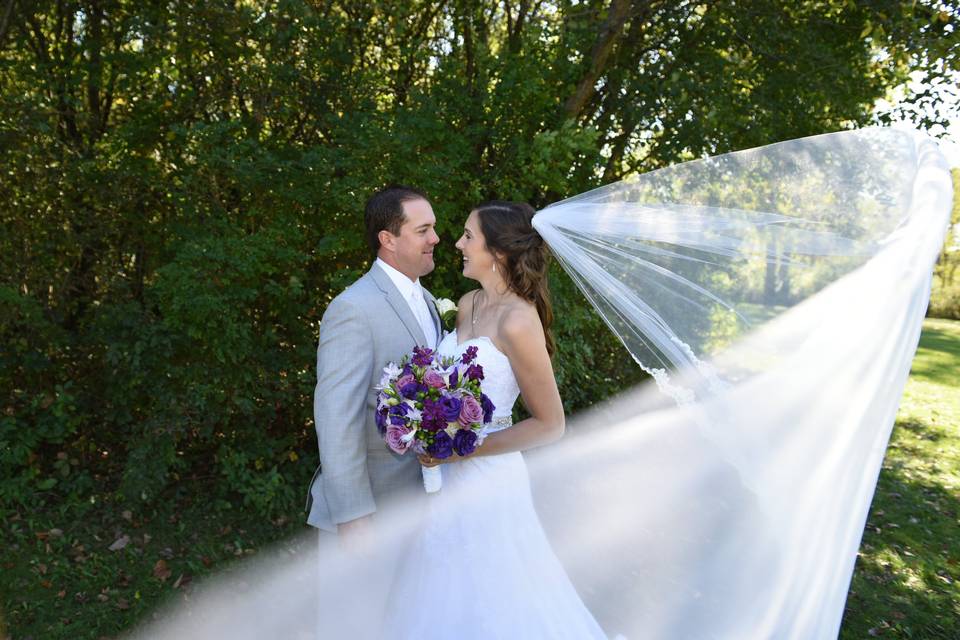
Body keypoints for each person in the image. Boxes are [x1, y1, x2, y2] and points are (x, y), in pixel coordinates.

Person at [382, 201, 608, 639]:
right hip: (444, 482)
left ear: (499, 252)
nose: (458, 243)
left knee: (496, 596)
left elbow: (550, 424)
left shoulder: (519, 321)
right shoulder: (468, 304)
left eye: (469, 236)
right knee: (441, 587)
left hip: (488, 479)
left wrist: (460, 450)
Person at [305, 185, 442, 551]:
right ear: (388, 239)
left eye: (434, 228)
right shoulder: (353, 308)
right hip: (371, 514)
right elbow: (337, 417)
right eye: (423, 230)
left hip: (421, 506)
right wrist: (353, 517)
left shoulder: (429, 301)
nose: (436, 238)